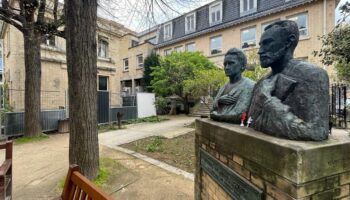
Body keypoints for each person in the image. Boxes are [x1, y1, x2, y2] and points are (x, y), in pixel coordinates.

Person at [248, 20, 329, 141]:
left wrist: (268, 102)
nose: (260, 51)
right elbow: (251, 121)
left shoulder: (312, 75)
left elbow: (317, 131)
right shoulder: (261, 83)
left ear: (289, 41)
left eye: (267, 43)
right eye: (260, 44)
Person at [210, 48, 255, 123]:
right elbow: (212, 109)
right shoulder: (223, 87)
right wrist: (219, 101)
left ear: (242, 66)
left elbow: (240, 114)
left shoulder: (249, 85)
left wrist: (217, 116)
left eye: (231, 63)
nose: (226, 67)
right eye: (225, 64)